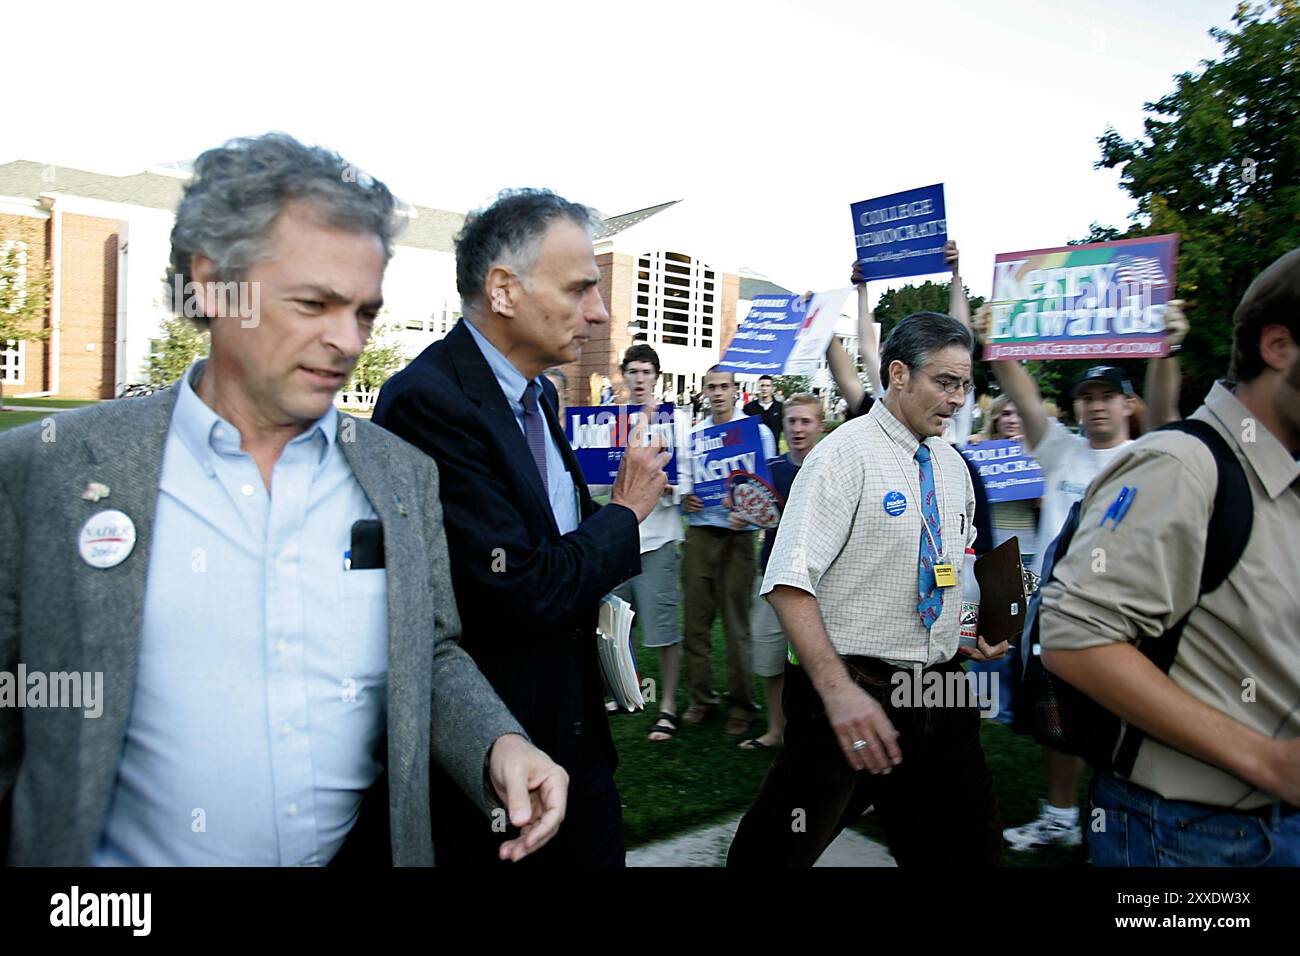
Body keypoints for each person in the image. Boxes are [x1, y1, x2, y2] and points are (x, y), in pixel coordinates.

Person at [0, 134, 566, 866]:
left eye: (364, 311)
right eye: (314, 303)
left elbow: (425, 652)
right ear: (210, 282)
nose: (347, 340)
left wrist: (499, 742)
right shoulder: (49, 471)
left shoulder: (401, 478)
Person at [372, 188, 669, 867]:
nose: (599, 313)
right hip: (496, 762)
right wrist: (623, 515)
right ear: (503, 289)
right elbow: (519, 585)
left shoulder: (536, 394)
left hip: (574, 741)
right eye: (580, 289)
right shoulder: (430, 403)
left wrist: (604, 523)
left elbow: (555, 538)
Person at [1040, 247, 1300, 865]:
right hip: (1185, 837)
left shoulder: (1285, 482)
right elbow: (1074, 637)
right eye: (1090, 395)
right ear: (1279, 347)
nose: (1098, 404)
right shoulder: (1183, 466)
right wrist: (1267, 760)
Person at [727, 311, 1008, 867]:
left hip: (941, 693)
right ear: (899, 374)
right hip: (854, 692)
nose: (957, 399)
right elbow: (787, 582)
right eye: (944, 383)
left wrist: (969, 628)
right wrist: (838, 694)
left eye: (965, 385)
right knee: (770, 856)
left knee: (971, 855)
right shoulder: (842, 456)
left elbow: (956, 560)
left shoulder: (954, 466)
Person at [971, 297, 1188, 851]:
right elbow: (1019, 390)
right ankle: (1062, 818)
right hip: (1060, 614)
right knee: (1058, 719)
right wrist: (997, 342)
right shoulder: (1060, 451)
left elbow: (1167, 413)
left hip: (1128, 614)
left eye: (1108, 396)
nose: (1096, 407)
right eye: (1086, 397)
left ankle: (1127, 818)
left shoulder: (1152, 454)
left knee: (1128, 720)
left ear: (1127, 404)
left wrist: (1167, 345)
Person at [599, 344, 690, 743]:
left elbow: (688, 479)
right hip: (619, 539)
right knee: (616, 626)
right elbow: (599, 482)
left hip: (658, 539)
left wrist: (667, 486)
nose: (638, 379)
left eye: (645, 372)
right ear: (624, 376)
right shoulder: (608, 421)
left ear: (656, 376)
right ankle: (625, 692)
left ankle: (667, 706)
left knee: (662, 628)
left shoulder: (676, 421)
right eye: (632, 372)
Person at [681, 366, 777, 736]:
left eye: (725, 386)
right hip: (700, 535)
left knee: (737, 626)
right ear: (703, 392)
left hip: (738, 539)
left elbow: (764, 491)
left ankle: (742, 704)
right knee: (696, 623)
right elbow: (684, 487)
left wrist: (749, 516)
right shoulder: (694, 437)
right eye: (711, 387)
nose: (718, 392)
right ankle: (701, 698)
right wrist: (685, 499)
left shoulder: (758, 433)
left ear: (737, 391)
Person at [739, 393, 825, 752]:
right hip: (773, 577)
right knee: (771, 658)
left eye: (806, 421)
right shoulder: (772, 470)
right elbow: (754, 512)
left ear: (820, 425)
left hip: (818, 583)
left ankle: (814, 735)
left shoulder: (830, 467)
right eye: (792, 421)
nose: (798, 429)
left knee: (816, 663)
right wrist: (739, 510)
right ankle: (777, 730)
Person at [743, 374, 784, 446]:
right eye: (762, 385)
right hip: (755, 450)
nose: (764, 388)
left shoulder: (780, 408)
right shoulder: (749, 408)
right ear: (758, 387)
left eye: (767, 386)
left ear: (772, 388)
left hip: (774, 451)